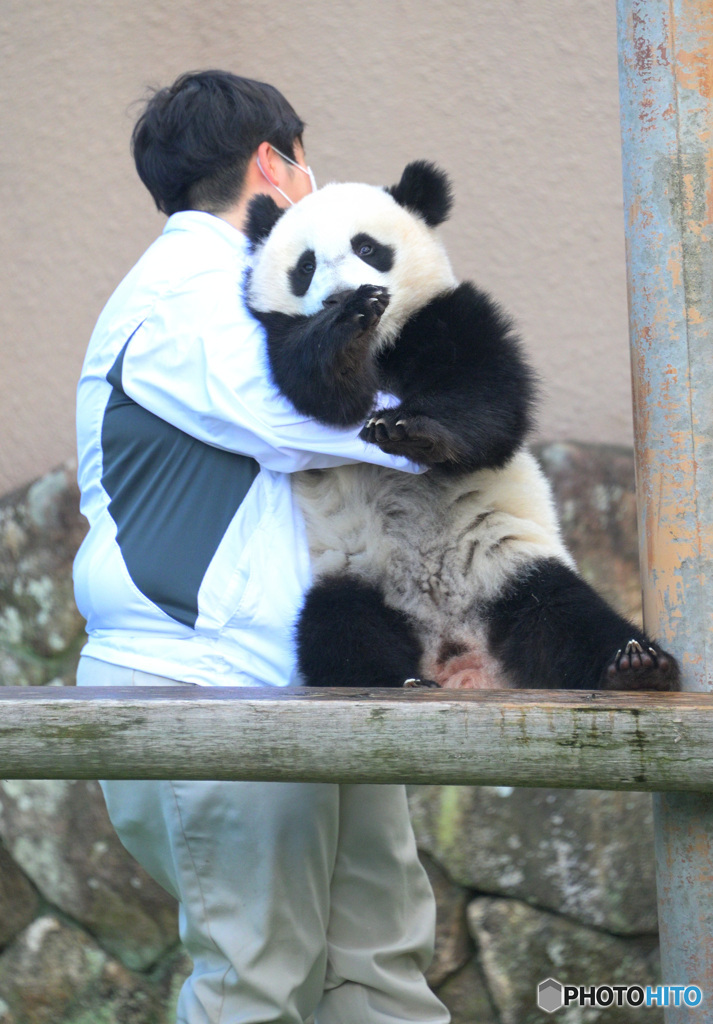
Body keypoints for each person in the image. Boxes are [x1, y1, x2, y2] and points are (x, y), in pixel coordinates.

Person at [74, 70, 450, 1024]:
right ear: (273, 164)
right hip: (205, 692)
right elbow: (328, 415)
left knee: (377, 972)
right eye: (305, 162)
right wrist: (470, 401)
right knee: (259, 986)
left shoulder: (240, 287)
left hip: (306, 682)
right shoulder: (188, 293)